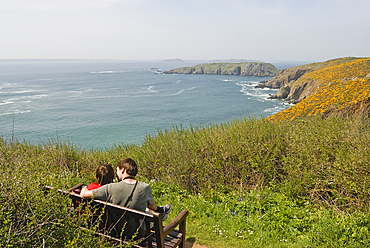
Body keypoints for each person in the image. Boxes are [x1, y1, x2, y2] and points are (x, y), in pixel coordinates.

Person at [80, 158, 171, 221]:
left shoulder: (110, 188)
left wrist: (84, 186)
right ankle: (162, 213)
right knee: (148, 211)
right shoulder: (145, 187)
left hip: (119, 231)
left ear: (122, 170)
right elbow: (153, 207)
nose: (116, 174)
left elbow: (84, 194)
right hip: (140, 233)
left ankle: (162, 213)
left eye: (117, 171)